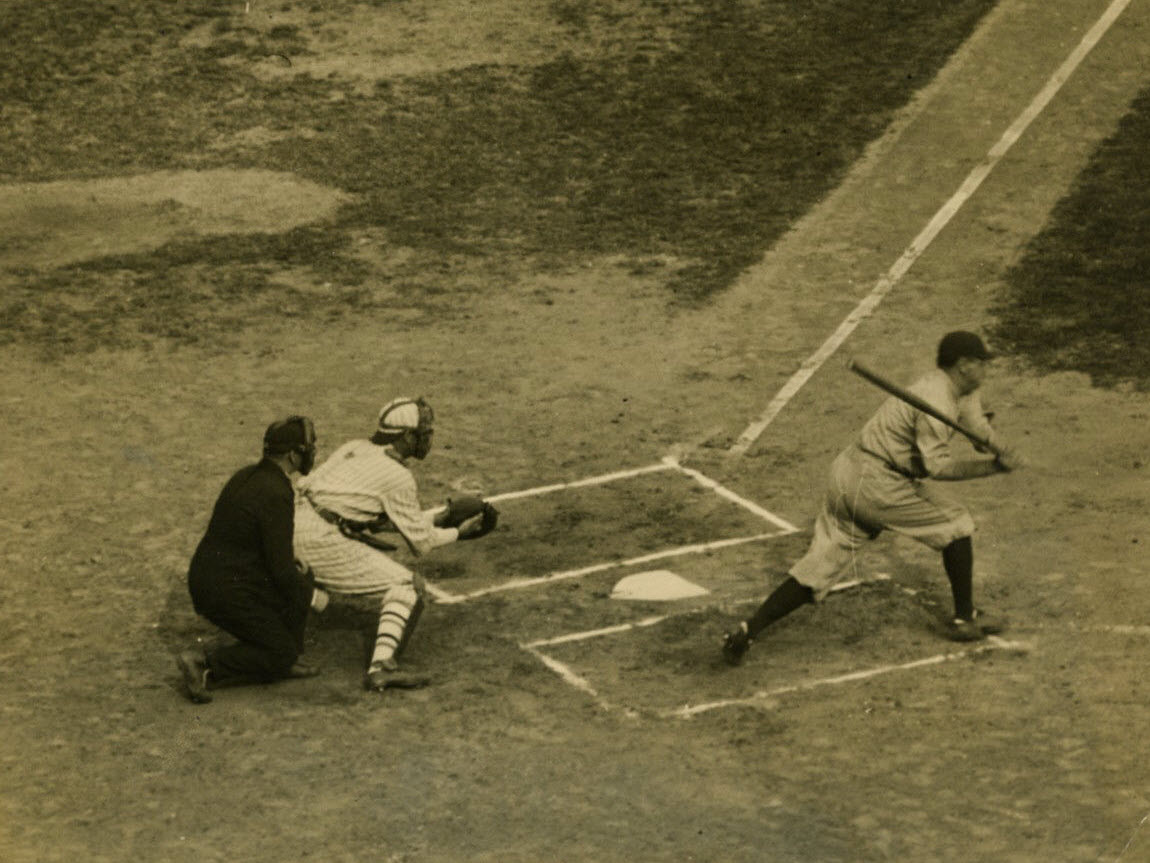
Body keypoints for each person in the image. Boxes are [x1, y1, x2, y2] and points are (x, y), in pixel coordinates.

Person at [722, 331, 1026, 666]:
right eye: (982, 363)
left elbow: (976, 423)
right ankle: (963, 619)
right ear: (964, 365)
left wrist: (997, 445)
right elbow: (936, 468)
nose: (987, 369)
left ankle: (748, 630)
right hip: (877, 482)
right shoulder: (936, 400)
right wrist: (992, 468)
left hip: (847, 475)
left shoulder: (961, 389)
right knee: (957, 524)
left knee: (821, 567)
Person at [293, 397, 494, 692]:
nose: (429, 437)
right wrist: (458, 533)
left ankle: (302, 594)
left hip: (288, 524)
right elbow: (421, 544)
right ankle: (381, 668)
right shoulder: (398, 477)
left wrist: (437, 518)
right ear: (406, 436)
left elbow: (354, 507)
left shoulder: (354, 446)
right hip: (318, 540)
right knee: (408, 586)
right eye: (424, 432)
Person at [177, 415, 327, 704]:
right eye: (307, 448)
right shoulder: (277, 492)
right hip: (224, 590)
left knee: (299, 574)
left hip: (214, 577)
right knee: (279, 645)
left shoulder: (246, 475)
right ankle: (204, 664)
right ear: (293, 455)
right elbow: (281, 572)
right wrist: (313, 597)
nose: (311, 453)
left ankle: (287, 658)